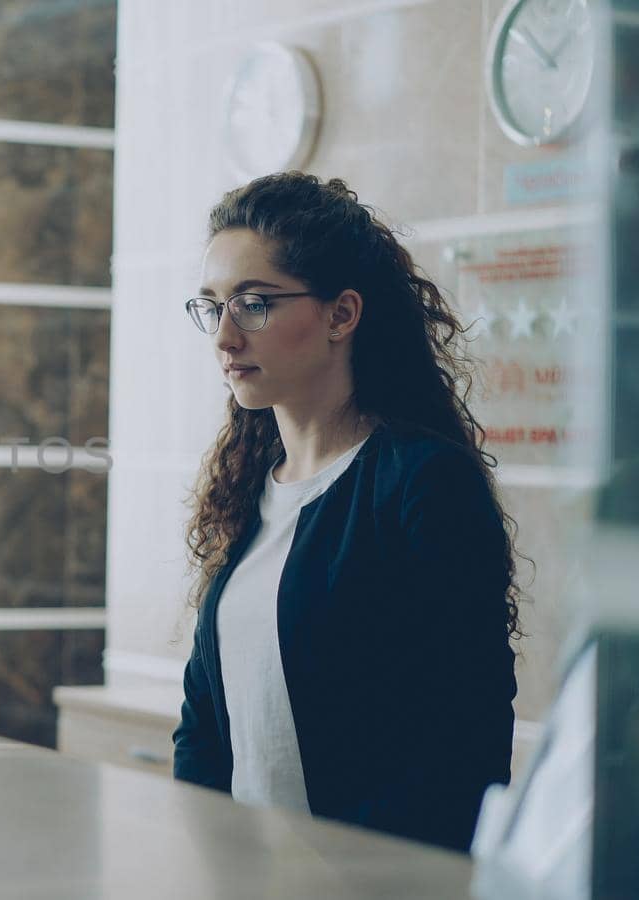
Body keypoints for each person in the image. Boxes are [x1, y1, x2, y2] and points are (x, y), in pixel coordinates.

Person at [171, 172, 523, 852]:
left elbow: (463, 745)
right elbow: (205, 726)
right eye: (211, 306)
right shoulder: (247, 493)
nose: (224, 336)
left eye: (255, 304)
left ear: (342, 314)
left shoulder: (423, 484)